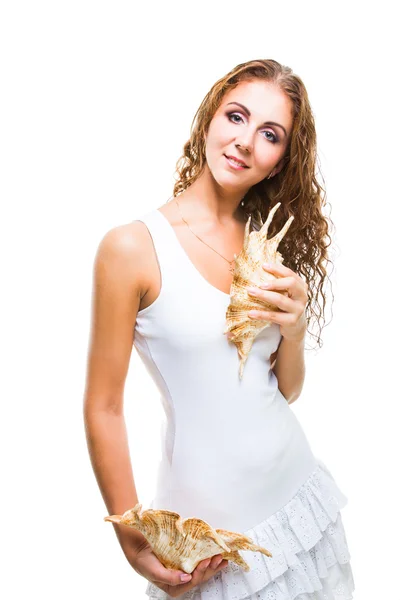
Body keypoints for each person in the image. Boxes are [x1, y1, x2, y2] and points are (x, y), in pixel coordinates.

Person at [83, 59, 355, 599]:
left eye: (270, 135)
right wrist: (131, 539)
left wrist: (294, 330)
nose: (245, 141)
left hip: (298, 504)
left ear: (279, 162)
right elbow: (104, 407)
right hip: (216, 543)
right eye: (236, 116)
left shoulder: (265, 246)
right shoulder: (133, 248)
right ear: (210, 118)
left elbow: (284, 391)